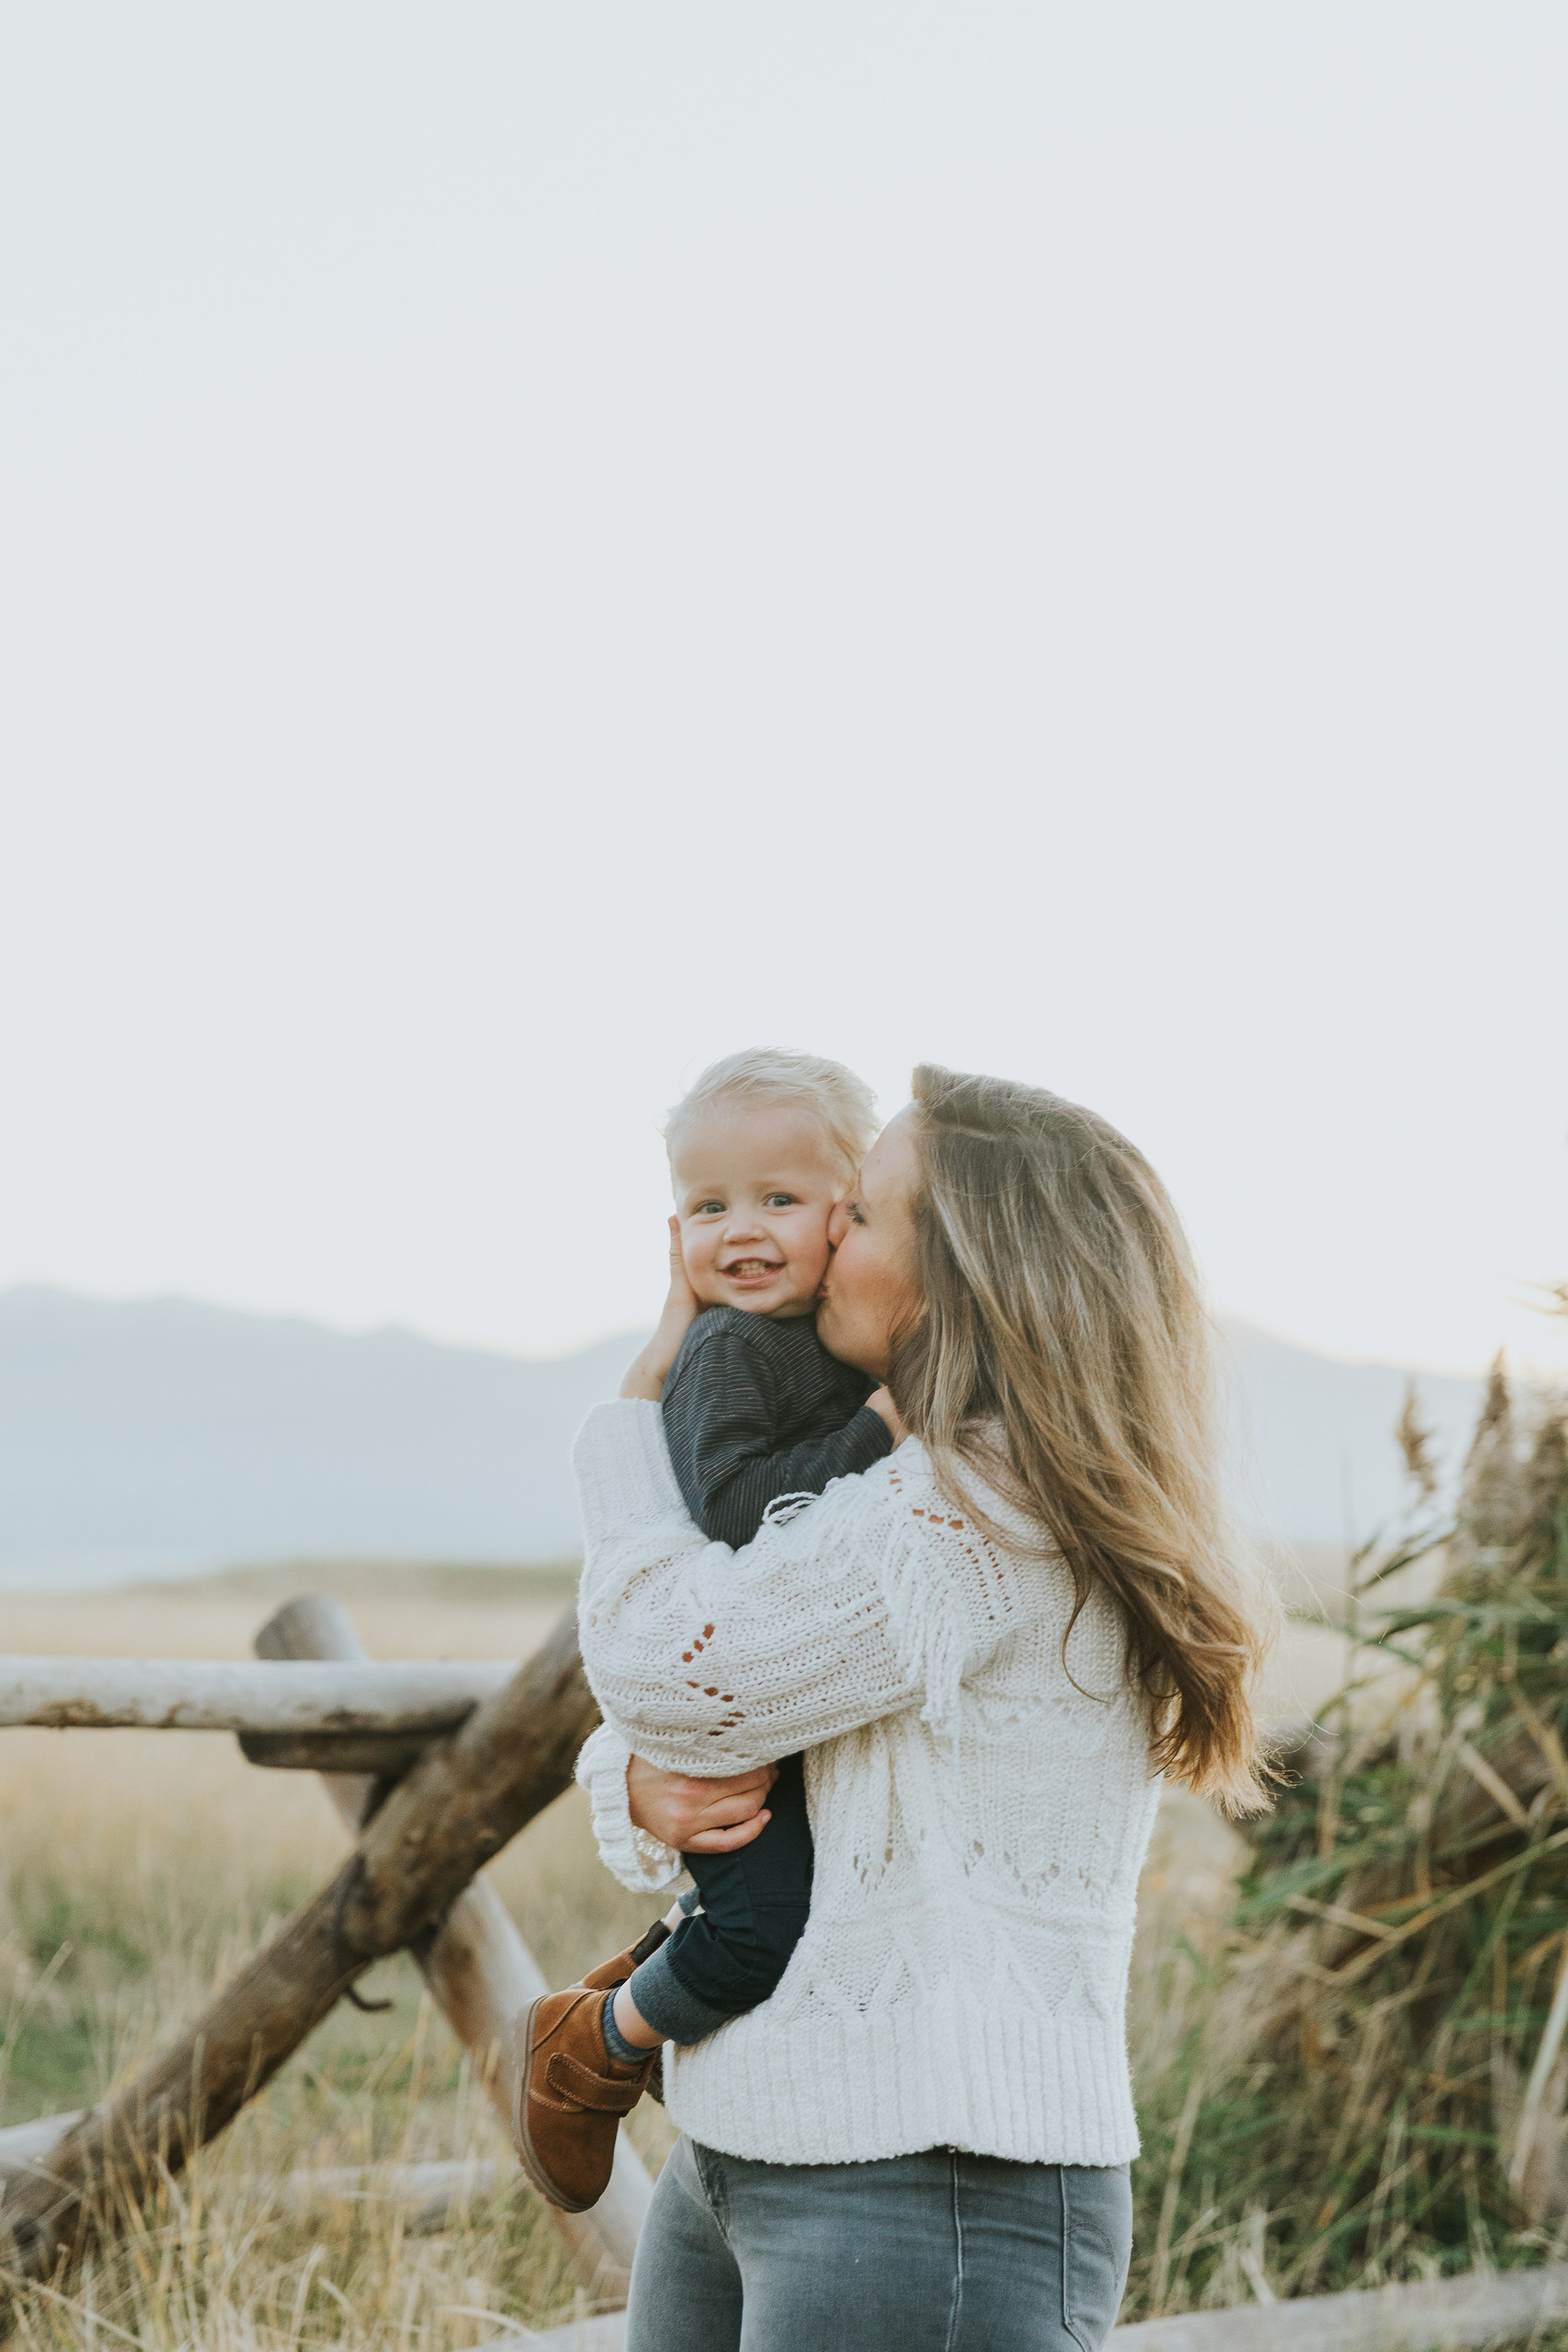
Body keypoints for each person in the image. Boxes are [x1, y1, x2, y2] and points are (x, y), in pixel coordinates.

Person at [543, 1066, 1274, 2350]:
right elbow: (746, 1696)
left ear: (964, 1274)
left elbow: (674, 1668)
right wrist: (634, 1783)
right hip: (745, 2143)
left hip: (922, 2184)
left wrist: (627, 1416)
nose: (824, 1242)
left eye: (861, 1215)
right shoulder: (912, 1481)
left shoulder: (984, 1508)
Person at [513, 1050, 898, 2212]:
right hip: (733, 1695)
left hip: (780, 1682)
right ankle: (594, 2051)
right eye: (707, 1207)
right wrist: (884, 1425)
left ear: (853, 1210)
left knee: (760, 1908)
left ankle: (646, 1969)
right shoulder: (732, 1348)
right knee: (760, 1935)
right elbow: (741, 1512)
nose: (742, 1232)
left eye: (780, 1201)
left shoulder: (821, 1347)